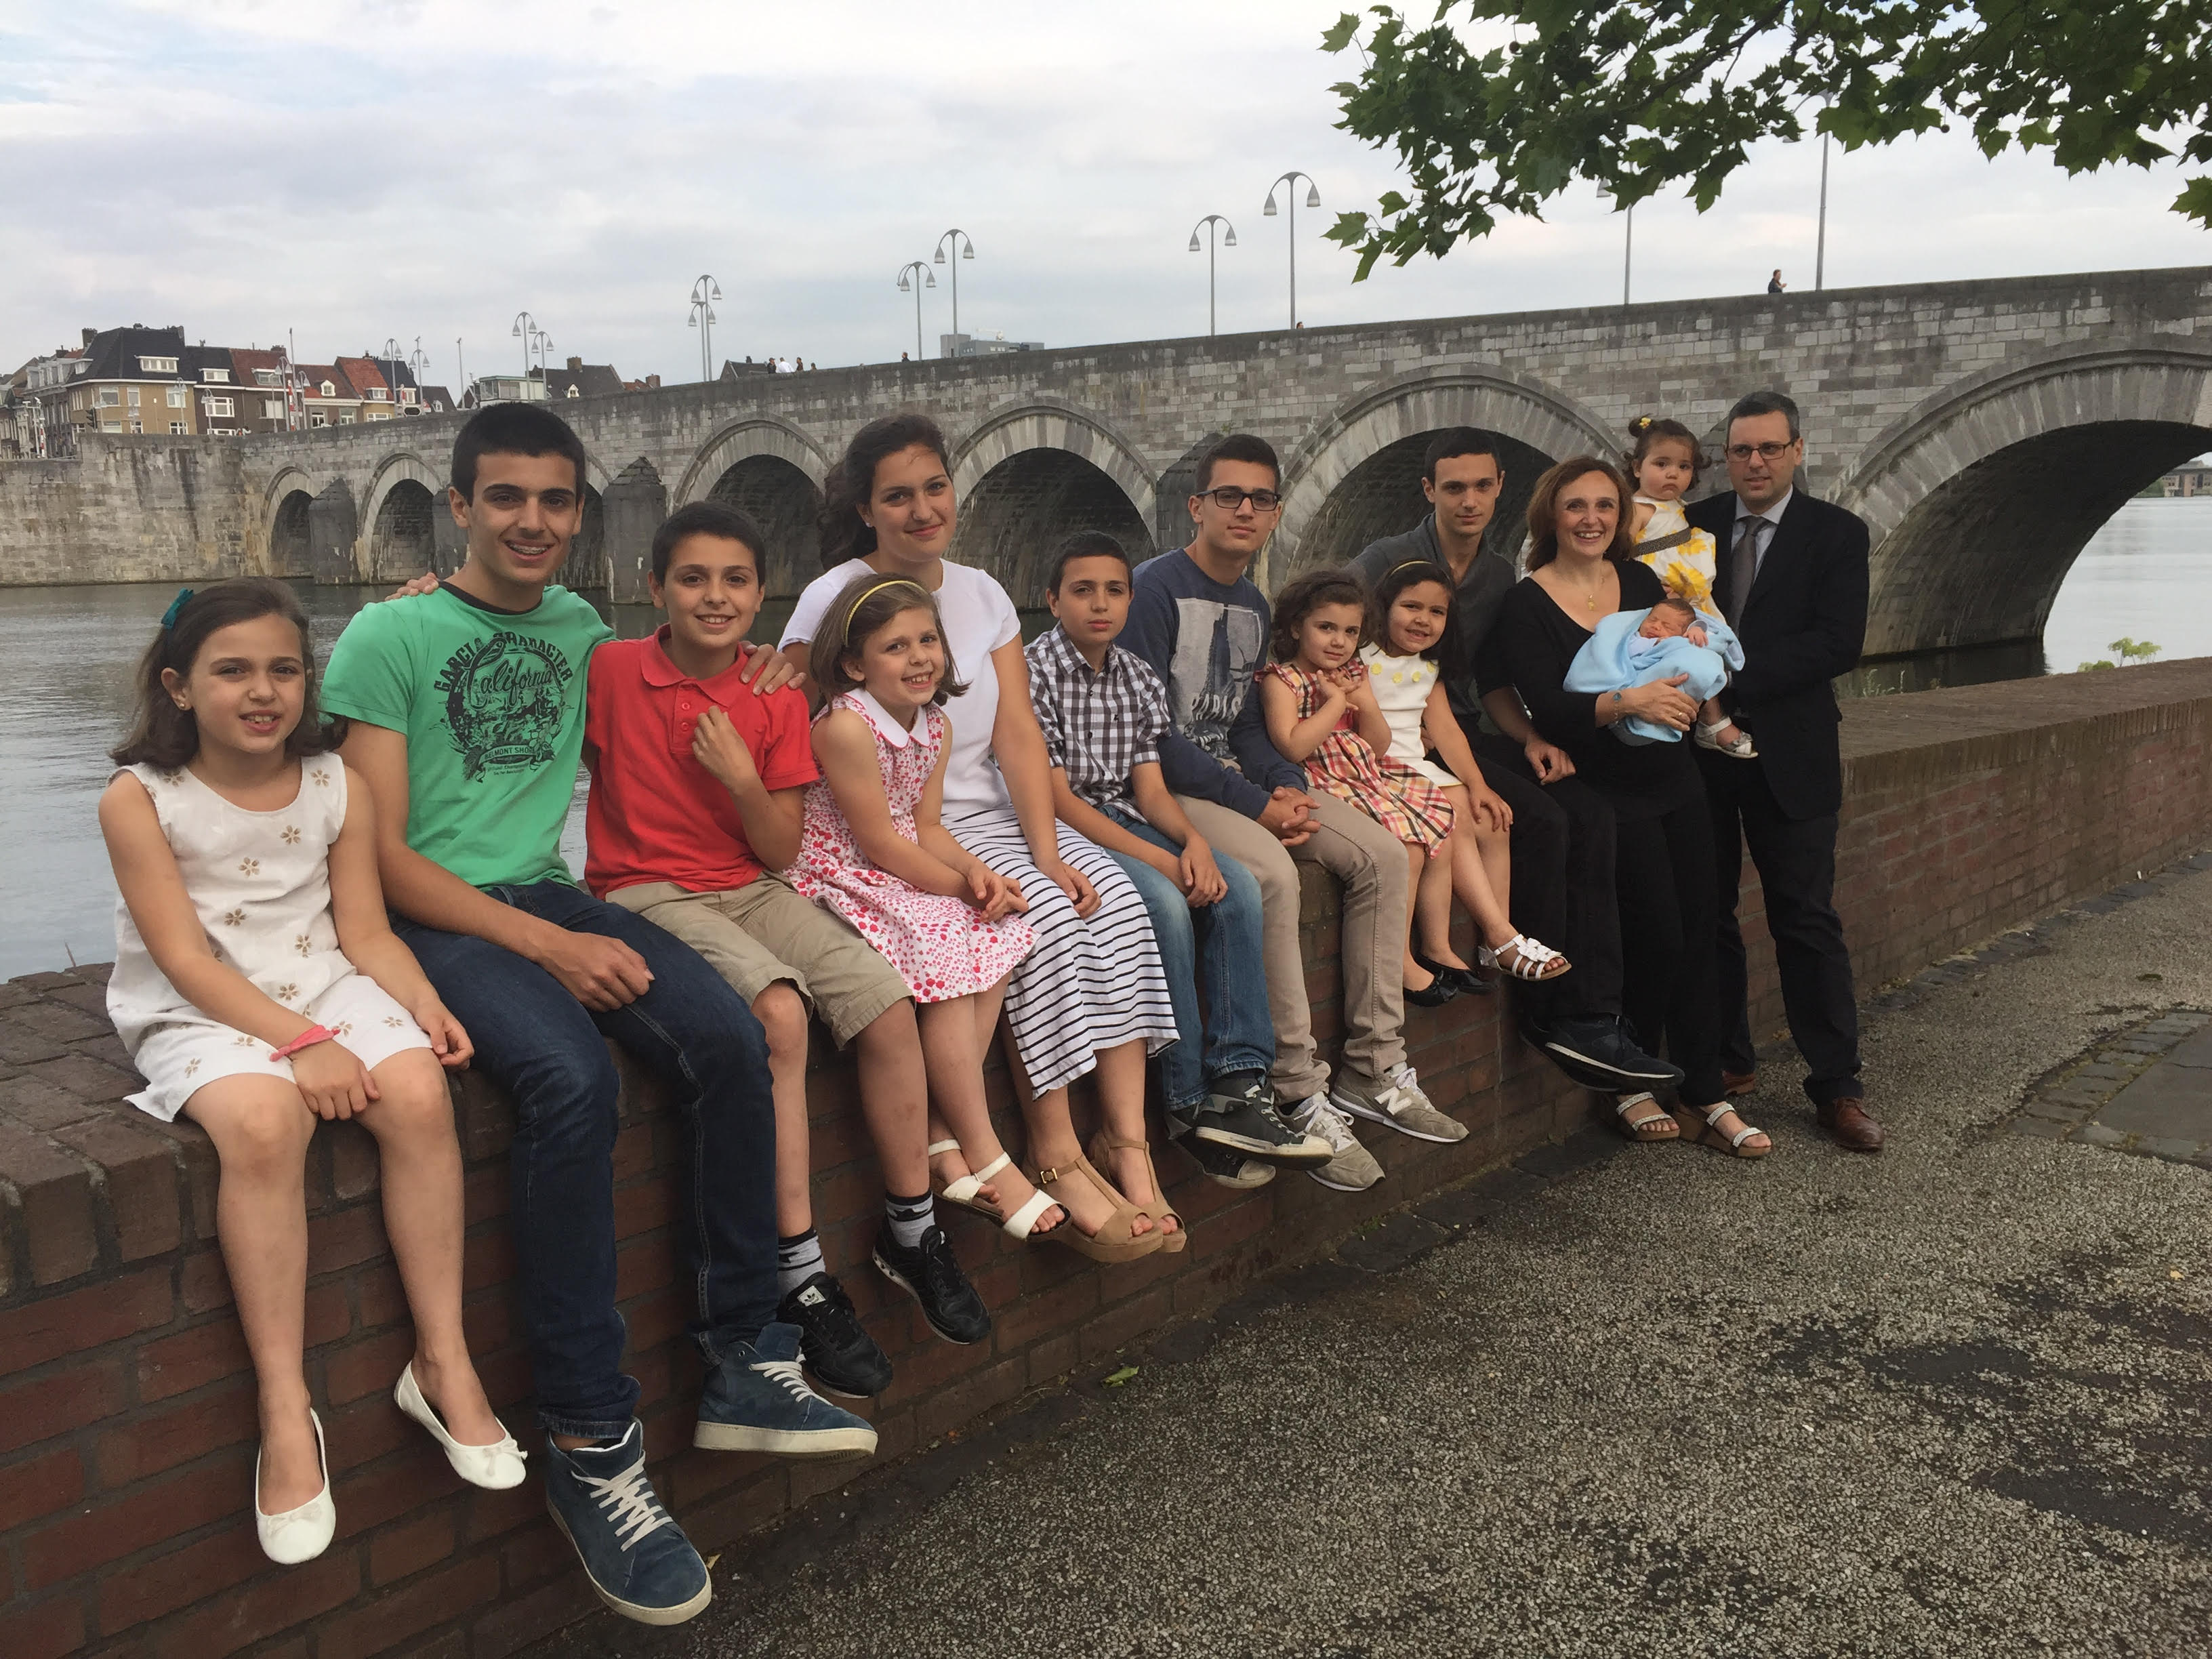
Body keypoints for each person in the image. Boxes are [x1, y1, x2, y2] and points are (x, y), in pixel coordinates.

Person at [325, 403, 874, 1630]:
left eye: (555, 500)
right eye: (505, 497)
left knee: (732, 1036)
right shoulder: (386, 633)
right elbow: (379, 854)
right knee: (570, 1080)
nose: (531, 521)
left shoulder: (582, 631)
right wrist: (546, 944)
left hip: (551, 893)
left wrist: (777, 667)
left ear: (580, 516)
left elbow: (684, 658)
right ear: (458, 505)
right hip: (435, 916)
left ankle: (743, 1355)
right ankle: (589, 1440)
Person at [99, 579, 518, 1569]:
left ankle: (442, 1359)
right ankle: (285, 1407)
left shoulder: (337, 783)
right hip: (201, 1007)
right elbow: (186, 960)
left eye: (284, 670)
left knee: (418, 1093)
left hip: (323, 982)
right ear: (178, 687)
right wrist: (300, 1045)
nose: (263, 692)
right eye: (232, 671)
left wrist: (424, 1004)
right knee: (262, 1126)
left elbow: (364, 931)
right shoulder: (141, 800)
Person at [580, 501, 998, 1401]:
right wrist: (415, 598)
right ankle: (799, 1268)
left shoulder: (773, 694)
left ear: (761, 593)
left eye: (735, 580)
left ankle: (912, 1227)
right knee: (778, 1012)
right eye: (692, 579)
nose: (715, 597)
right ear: (653, 588)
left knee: (884, 1000)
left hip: (751, 882)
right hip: (643, 887)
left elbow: (777, 850)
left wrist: (739, 776)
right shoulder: (607, 667)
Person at [780, 414, 1183, 1257]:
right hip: (901, 833)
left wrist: (1047, 851)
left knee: (1117, 905)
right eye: (899, 496)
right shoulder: (832, 597)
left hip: (976, 815)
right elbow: (789, 715)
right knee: (1039, 922)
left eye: (935, 487)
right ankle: (1053, 1151)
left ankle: (1127, 1140)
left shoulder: (984, 592)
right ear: (866, 510)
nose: (924, 509)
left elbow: (1018, 733)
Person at [1122, 432, 1447, 1191]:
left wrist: (1286, 786)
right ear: (1197, 506)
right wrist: (1257, 806)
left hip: (1240, 778)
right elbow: (1152, 734)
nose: (1245, 509)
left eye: (1261, 499)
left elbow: (1244, 726)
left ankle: (1373, 1067)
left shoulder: (1251, 602)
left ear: (1275, 514)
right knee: (1271, 873)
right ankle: (1299, 1087)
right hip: (1170, 786)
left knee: (1382, 855)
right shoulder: (1152, 591)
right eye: (1228, 495)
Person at [789, 576, 1125, 1253]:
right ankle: (987, 1152)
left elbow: (928, 827)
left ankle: (944, 1135)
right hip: (837, 869)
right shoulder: (846, 726)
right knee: (949, 940)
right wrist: (957, 891)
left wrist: (979, 875)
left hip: (897, 863)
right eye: (895, 647)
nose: (919, 658)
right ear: (854, 665)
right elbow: (878, 843)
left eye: (927, 640)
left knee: (998, 933)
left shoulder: (934, 726)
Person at [1351, 428, 1678, 1092]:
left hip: (1464, 731)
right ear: (1429, 491)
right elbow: (1329, 634)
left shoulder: (1500, 574)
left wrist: (1529, 738)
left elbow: (1493, 678)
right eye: (1454, 488)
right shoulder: (1386, 559)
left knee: (1577, 813)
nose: (1469, 501)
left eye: (1481, 486)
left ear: (1501, 487)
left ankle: (1578, 1003)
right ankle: (1542, 999)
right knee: (1537, 820)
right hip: (1398, 742)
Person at [1484, 457, 1769, 1159]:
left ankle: (1705, 1090)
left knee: (1701, 928)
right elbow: (1546, 706)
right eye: (1576, 506)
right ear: (1551, 515)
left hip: (1676, 778)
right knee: (1654, 936)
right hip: (1606, 787)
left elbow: (1690, 652)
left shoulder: (1641, 582)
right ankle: (1629, 1081)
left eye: (1605, 506)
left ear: (1621, 515)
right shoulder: (1526, 603)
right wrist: (1630, 701)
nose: (1591, 519)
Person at [1025, 531, 1269, 1207]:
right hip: (1066, 827)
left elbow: (1152, 789)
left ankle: (1240, 1076)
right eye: (1082, 591)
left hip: (1129, 816)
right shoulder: (1032, 672)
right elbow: (1057, 799)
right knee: (1163, 904)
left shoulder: (1134, 674)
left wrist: (1192, 841)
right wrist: (1162, 859)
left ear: (1131, 599)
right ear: (1053, 600)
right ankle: (1185, 1097)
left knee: (1238, 889)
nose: (1099, 604)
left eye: (1114, 590)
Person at [1685, 390, 1881, 1151]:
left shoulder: (1837, 533)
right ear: (1726, 457)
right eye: (1741, 450)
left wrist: (1724, 674)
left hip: (1792, 754)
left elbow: (1837, 643)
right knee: (1707, 914)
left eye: (1770, 448)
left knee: (1805, 917)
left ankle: (1837, 1085)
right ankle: (1728, 1061)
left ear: (1798, 450)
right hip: (1700, 755)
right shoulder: (1691, 528)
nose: (1755, 462)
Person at [1259, 569, 1462, 1025]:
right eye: (1326, 628)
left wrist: (1364, 703)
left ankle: (1434, 944)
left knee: (1438, 824)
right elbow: (1292, 746)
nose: (1339, 642)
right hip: (1322, 777)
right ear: (1296, 627)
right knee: (1407, 846)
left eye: (1351, 632)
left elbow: (1377, 743)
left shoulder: (1353, 673)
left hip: (1363, 769)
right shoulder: (1282, 680)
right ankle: (1400, 959)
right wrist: (1335, 704)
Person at [1361, 558, 1569, 991]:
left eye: (1437, 612)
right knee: (1453, 812)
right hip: (1378, 767)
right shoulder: (1361, 656)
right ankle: (1500, 935)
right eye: (1411, 607)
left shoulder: (1427, 667)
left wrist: (1479, 785)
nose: (1423, 620)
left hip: (1416, 766)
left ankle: (1496, 941)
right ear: (1384, 606)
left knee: (1492, 818)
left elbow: (1448, 732)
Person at [1626, 415, 1753, 758]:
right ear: (1637, 468)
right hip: (1664, 603)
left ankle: (1697, 718)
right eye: (1662, 464)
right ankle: (1713, 721)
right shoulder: (1637, 510)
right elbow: (1620, 559)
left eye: (1683, 467)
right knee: (1691, 653)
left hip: (1693, 602)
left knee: (1706, 649)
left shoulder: (1678, 508)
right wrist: (1651, 592)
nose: (1673, 474)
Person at [1565, 596, 1744, 746]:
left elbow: (1708, 641)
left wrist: (1696, 630)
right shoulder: (1634, 638)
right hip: (1630, 690)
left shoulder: (1681, 639)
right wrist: (1656, 643)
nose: (1656, 627)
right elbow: (1627, 651)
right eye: (1652, 620)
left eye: (1667, 626)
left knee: (1701, 661)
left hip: (1672, 703)